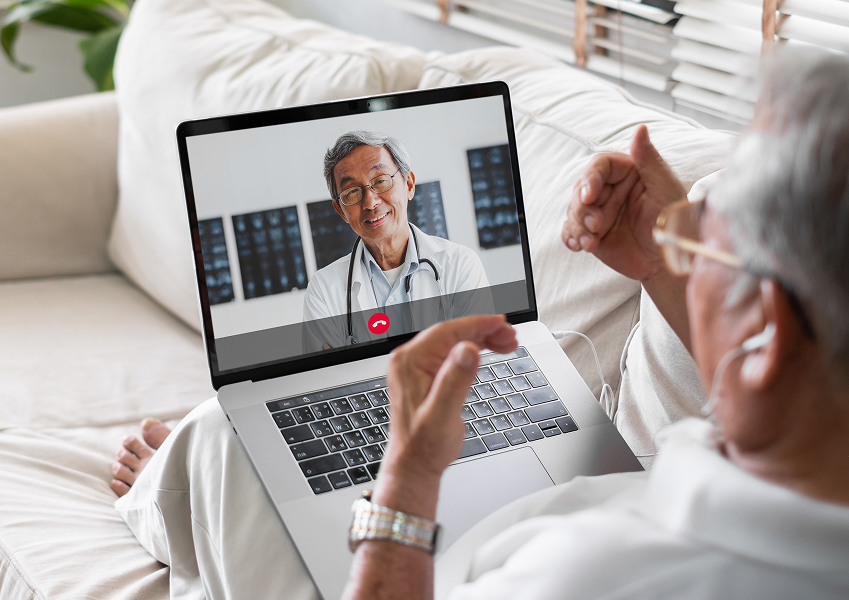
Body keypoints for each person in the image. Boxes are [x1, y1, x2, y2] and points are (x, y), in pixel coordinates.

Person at [112, 50, 849, 599]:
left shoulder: (598, 577)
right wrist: (663, 266)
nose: (368, 204)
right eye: (350, 194)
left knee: (218, 443)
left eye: (699, 237)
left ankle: (171, 504)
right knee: (230, 438)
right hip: (567, 485)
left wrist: (404, 477)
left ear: (405, 186)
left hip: (443, 545)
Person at [302, 131, 492, 349]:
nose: (370, 202)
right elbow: (328, 379)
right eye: (352, 192)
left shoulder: (460, 264)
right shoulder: (323, 290)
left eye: (380, 181)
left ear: (409, 184)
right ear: (340, 210)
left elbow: (477, 361)